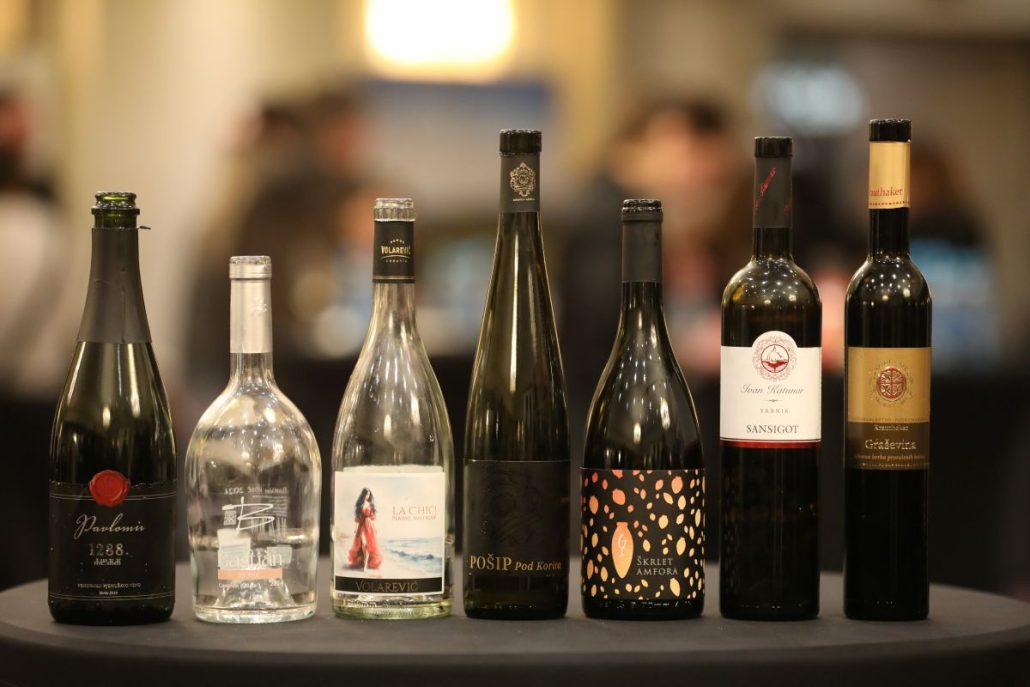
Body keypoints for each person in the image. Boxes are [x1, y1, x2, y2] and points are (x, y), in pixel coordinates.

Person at [347, 488, 382, 570]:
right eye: (366, 494)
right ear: (363, 494)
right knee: (363, 544)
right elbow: (358, 518)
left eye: (369, 494)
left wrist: (375, 528)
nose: (368, 496)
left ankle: (365, 564)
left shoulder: (370, 505)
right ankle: (363, 561)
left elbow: (372, 518)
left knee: (367, 544)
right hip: (361, 526)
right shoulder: (360, 505)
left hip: (369, 525)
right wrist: (356, 528)